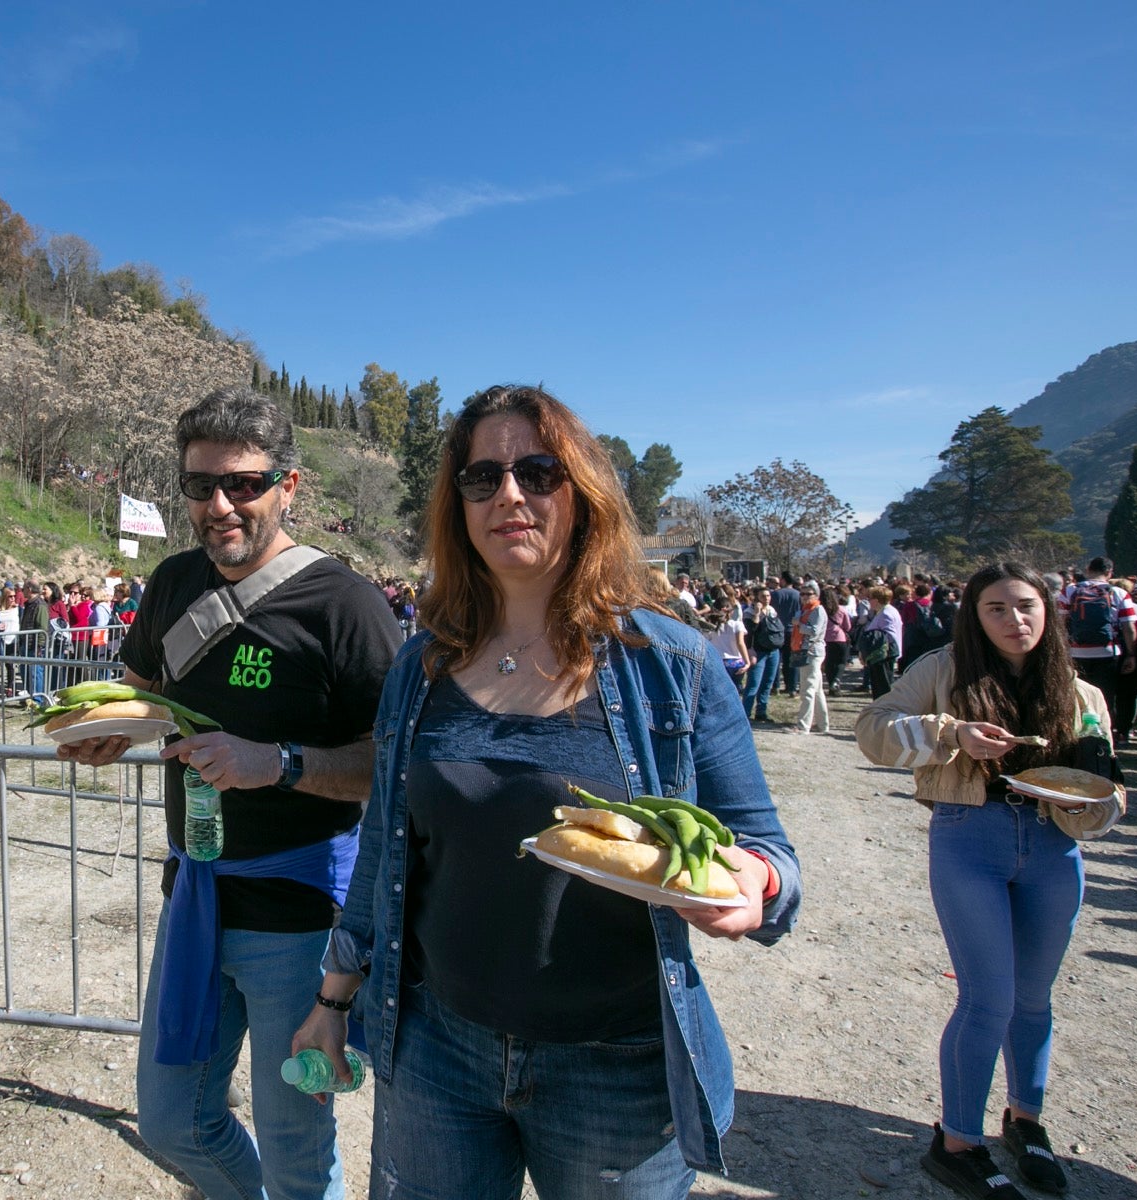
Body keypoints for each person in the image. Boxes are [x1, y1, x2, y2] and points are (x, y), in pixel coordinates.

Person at [294, 384, 799, 1199]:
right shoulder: (420, 671)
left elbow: (768, 852)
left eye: (538, 471)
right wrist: (334, 993)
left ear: (584, 493)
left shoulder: (675, 667)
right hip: (437, 1051)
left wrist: (756, 885)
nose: (510, 495)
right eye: (482, 477)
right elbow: (389, 850)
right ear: (457, 503)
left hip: (618, 1070)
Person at [60, 385, 400, 1200]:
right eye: (199, 485)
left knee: (295, 1142)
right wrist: (112, 731)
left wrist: (277, 763)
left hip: (301, 917)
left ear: (289, 485)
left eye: (243, 484)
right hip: (196, 897)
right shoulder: (174, 582)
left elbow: (393, 765)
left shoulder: (345, 606)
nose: (219, 504)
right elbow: (139, 691)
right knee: (174, 1121)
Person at [856, 563, 1122, 1200]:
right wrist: (950, 735)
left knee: (1034, 999)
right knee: (988, 1000)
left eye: (1025, 605)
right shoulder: (944, 669)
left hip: (1055, 849)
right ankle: (957, 1144)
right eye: (996, 609)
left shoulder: (1082, 694)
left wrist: (1096, 805)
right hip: (969, 836)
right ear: (974, 615)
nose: (1014, 619)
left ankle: (1025, 1122)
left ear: (1047, 610)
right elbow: (873, 732)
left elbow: (1109, 798)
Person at [1062, 556, 1137, 744]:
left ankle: (1077, 735)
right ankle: (1105, 735)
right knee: (1105, 697)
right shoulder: (1119, 593)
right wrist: (1131, 654)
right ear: (1110, 572)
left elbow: (1060, 623)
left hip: (1076, 653)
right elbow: (1129, 628)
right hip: (1108, 653)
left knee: (1076, 695)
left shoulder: (1070, 590)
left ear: (1088, 569)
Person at [740, 584, 784, 721]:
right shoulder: (749, 612)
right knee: (754, 683)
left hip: (773, 651)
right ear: (756, 599)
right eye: (763, 596)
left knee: (767, 682)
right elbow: (750, 631)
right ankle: (745, 713)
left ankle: (761, 712)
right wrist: (758, 614)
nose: (766, 599)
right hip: (758, 652)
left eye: (768, 596)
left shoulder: (772, 611)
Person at [791, 581, 830, 734]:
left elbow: (814, 631)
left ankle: (803, 726)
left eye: (809, 594)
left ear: (816, 595)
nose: (805, 597)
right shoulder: (805, 610)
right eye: (802, 594)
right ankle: (822, 724)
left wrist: (798, 624)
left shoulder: (818, 610)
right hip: (806, 650)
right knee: (816, 690)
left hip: (812, 652)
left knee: (807, 690)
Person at [861, 584, 904, 699]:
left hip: (884, 654)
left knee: (883, 686)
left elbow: (889, 635)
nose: (868, 601)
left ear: (876, 600)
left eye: (870, 598)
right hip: (884, 654)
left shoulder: (886, 614)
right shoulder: (885, 611)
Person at [770, 571, 804, 694]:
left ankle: (776, 686)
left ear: (783, 580)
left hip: (777, 630)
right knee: (791, 659)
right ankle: (792, 687)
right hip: (793, 630)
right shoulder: (799, 595)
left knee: (776, 660)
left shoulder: (776, 595)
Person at [822, 586, 854, 696]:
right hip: (840, 639)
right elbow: (848, 626)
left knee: (829, 664)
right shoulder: (841, 609)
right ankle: (836, 681)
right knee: (840, 662)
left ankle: (831, 685)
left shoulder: (820, 610)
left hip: (825, 639)